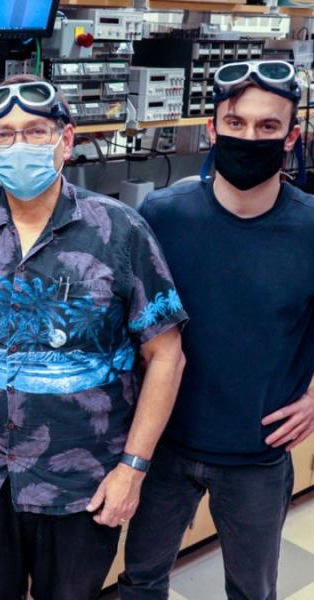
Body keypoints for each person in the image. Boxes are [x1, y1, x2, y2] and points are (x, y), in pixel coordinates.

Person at [0, 74, 188, 600]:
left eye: (34, 131)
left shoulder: (119, 231)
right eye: (4, 134)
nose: (18, 145)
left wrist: (133, 470)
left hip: (83, 482)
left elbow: (166, 355)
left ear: (66, 141)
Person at [120, 60, 314, 600]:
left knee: (253, 590)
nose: (249, 136)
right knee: (141, 578)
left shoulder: (310, 227)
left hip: (257, 454)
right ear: (212, 129)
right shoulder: (162, 214)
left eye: (268, 127)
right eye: (236, 123)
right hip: (167, 445)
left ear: (292, 135)